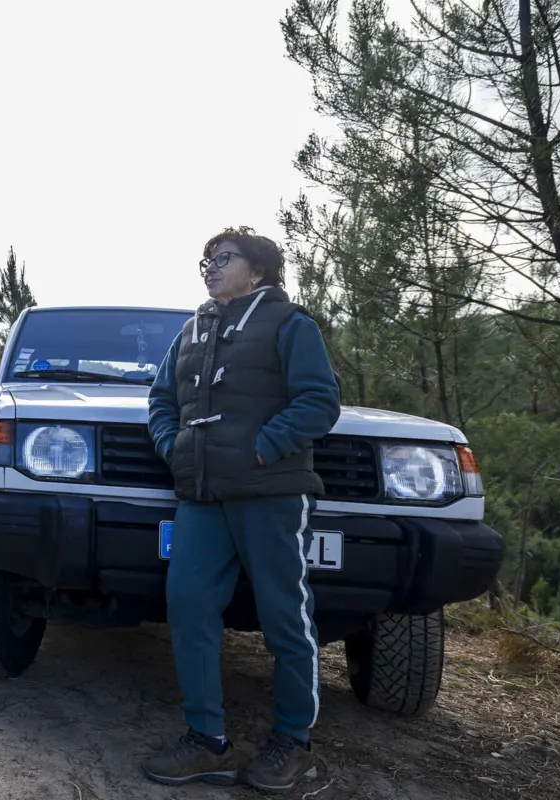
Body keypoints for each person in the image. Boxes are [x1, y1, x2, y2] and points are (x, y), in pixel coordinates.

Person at [143, 227, 342, 791]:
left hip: (271, 493)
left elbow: (320, 400)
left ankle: (293, 744)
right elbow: (161, 400)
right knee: (187, 604)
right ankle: (208, 742)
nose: (209, 267)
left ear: (257, 271)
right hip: (202, 497)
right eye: (205, 260)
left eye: (222, 258)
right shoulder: (190, 331)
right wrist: (171, 444)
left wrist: (263, 446)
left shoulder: (290, 325)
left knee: (285, 616)